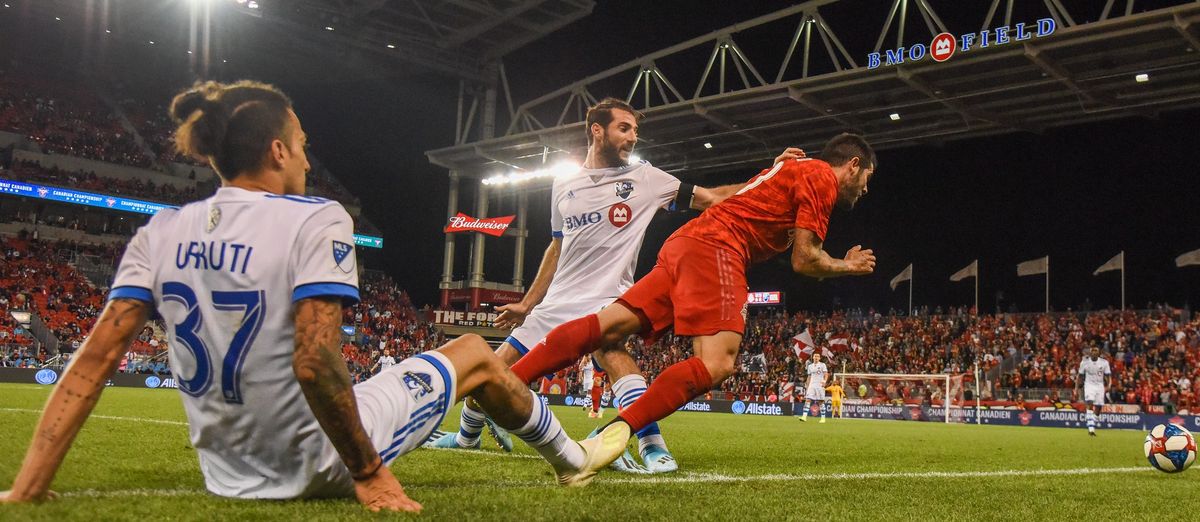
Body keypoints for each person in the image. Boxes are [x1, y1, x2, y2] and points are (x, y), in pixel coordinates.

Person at [0, 81, 624, 513]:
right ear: (277, 150)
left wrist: (29, 486)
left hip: (227, 475)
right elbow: (314, 359)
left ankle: (563, 453)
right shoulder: (315, 216)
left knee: (432, 360)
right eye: (299, 139)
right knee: (475, 352)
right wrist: (369, 473)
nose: (305, 150)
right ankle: (573, 458)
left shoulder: (161, 231)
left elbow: (91, 363)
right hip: (315, 461)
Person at [427, 97, 801, 473]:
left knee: (617, 358)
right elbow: (558, 244)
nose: (633, 137)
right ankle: (466, 437)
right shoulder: (563, 184)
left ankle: (651, 446)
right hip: (555, 303)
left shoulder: (647, 179)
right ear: (597, 131)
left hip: (607, 298)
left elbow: (717, 200)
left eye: (635, 130)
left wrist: (770, 176)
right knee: (492, 368)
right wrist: (528, 303)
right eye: (624, 128)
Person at [506, 132, 877, 454]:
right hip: (719, 247)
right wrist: (849, 266)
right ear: (853, 164)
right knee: (718, 362)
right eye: (866, 179)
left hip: (686, 242)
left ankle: (503, 382)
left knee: (608, 327)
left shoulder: (789, 169)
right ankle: (613, 433)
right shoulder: (821, 177)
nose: (865, 190)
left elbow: (748, 196)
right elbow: (805, 260)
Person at [1076, 346, 1111, 436]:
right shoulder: (1084, 363)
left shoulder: (1104, 363)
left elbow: (1108, 376)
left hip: (1100, 386)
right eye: (1093, 350)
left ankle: (1091, 421)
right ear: (1090, 352)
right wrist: (1076, 388)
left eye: (1096, 350)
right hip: (1089, 385)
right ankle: (1091, 429)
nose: (1094, 352)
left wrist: (1109, 385)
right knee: (1090, 403)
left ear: (1099, 353)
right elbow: (1079, 376)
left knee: (1098, 407)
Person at [799, 352, 829, 423]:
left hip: (819, 385)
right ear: (813, 357)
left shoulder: (822, 365)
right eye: (815, 356)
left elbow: (826, 374)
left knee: (821, 401)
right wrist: (807, 385)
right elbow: (809, 377)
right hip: (812, 385)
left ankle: (823, 418)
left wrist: (824, 381)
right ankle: (804, 416)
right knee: (808, 399)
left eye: (818, 356)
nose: (816, 357)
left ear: (819, 358)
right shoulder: (810, 366)